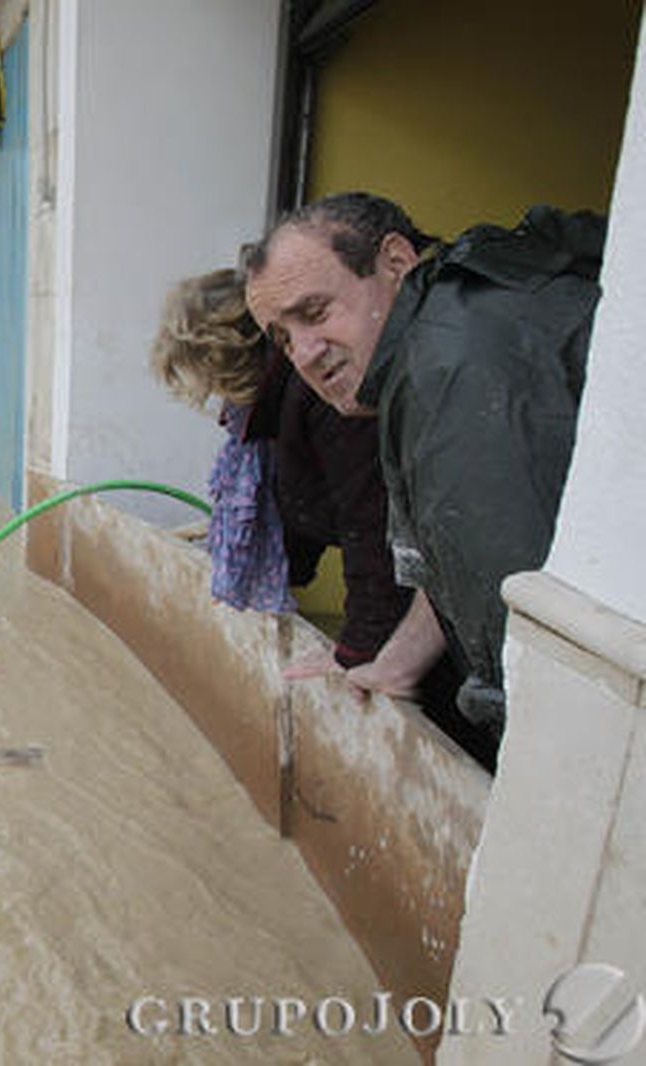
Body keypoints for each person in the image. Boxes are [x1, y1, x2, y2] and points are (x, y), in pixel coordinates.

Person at [243, 192, 604, 753]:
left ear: (395, 262)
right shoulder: (446, 328)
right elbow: (451, 562)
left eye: (315, 313)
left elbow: (515, 631)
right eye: (284, 338)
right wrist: (396, 664)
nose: (305, 354)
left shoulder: (456, 370)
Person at [152, 269, 413, 675]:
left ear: (223, 360)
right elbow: (298, 497)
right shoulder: (270, 414)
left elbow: (371, 524)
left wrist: (358, 650)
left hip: (421, 592)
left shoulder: (322, 394)